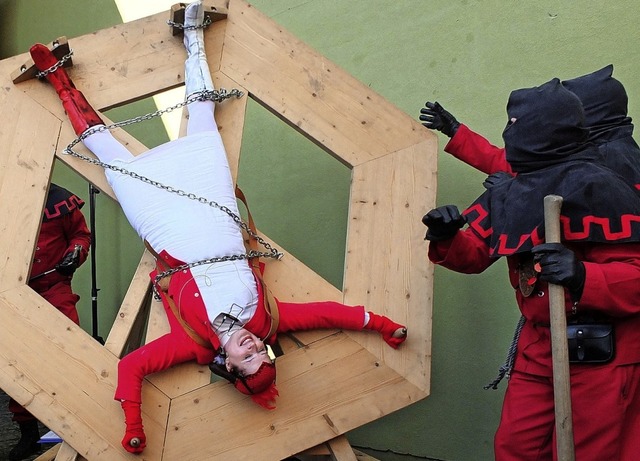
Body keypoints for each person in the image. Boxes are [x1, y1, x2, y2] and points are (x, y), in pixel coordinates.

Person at [29, 0, 407, 454]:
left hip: (167, 232)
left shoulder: (190, 344)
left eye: (247, 357)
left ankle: (58, 79)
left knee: (106, 152)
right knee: (204, 117)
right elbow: (331, 314)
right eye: (261, 353)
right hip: (214, 212)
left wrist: (134, 427)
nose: (253, 346)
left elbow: (132, 368)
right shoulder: (268, 321)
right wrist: (384, 325)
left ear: (228, 365)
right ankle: (193, 35)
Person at [422, 78, 640, 460]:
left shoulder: (607, 185)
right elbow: (473, 256)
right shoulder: (514, 188)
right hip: (539, 349)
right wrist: (446, 237)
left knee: (591, 453)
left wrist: (582, 276)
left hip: (603, 355)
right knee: (517, 448)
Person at [418, 65, 640, 190]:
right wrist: (456, 131)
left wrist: (512, 191)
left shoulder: (615, 158)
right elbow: (516, 164)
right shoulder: (590, 148)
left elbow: (569, 204)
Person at [7, 184, 91, 461]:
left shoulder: (58, 199)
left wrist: (74, 254)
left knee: (68, 355)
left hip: (55, 287)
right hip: (11, 293)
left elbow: (80, 235)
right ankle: (28, 434)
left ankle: (75, 429)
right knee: (17, 364)